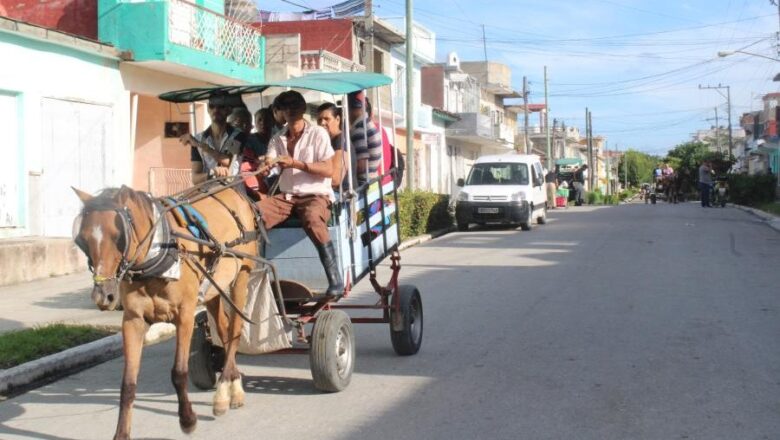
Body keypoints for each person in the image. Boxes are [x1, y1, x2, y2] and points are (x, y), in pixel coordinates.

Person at [258, 91, 343, 297]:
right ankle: (255, 275)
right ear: (280, 112)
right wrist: (265, 166)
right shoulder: (277, 138)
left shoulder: (318, 134)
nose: (290, 110)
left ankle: (335, 278)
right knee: (253, 214)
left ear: (303, 109)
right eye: (285, 107)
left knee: (313, 218)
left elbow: (328, 170)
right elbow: (269, 163)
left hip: (315, 195)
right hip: (287, 197)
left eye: (294, 106)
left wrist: (296, 164)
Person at [180, 93, 244, 184]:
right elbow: (195, 178)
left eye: (220, 106)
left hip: (233, 188)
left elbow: (227, 160)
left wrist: (200, 145)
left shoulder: (237, 135)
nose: (216, 110)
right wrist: (211, 174)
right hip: (207, 190)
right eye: (212, 106)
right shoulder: (199, 138)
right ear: (207, 109)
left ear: (229, 110)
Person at [227, 107, 269, 198]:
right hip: (245, 197)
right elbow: (233, 179)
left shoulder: (248, 148)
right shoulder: (231, 147)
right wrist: (256, 194)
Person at [347, 91, 383, 186]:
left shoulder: (358, 130)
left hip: (364, 184)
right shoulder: (368, 124)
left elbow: (361, 165)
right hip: (373, 180)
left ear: (351, 109)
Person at [316, 102, 347, 189]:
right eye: (319, 120)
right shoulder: (327, 141)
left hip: (342, 196)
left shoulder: (340, 140)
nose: (322, 123)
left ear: (337, 119)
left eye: (327, 119)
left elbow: (335, 179)